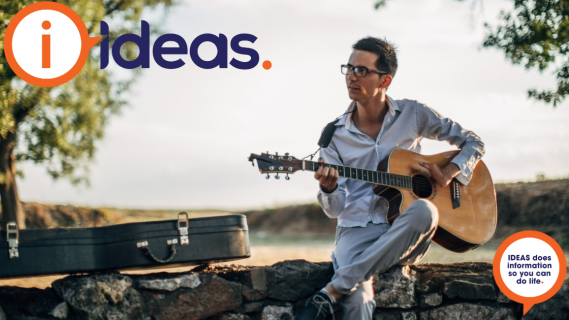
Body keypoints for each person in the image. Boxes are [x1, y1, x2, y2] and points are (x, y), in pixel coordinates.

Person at [294, 37, 485, 320]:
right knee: (358, 302)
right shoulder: (333, 135)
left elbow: (474, 142)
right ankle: (344, 287)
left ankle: (332, 291)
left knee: (425, 210)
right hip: (356, 230)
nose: (351, 77)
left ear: (385, 81)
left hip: (405, 229)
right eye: (348, 69)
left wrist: (447, 172)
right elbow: (334, 210)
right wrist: (328, 187)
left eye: (361, 70)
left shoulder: (414, 114)